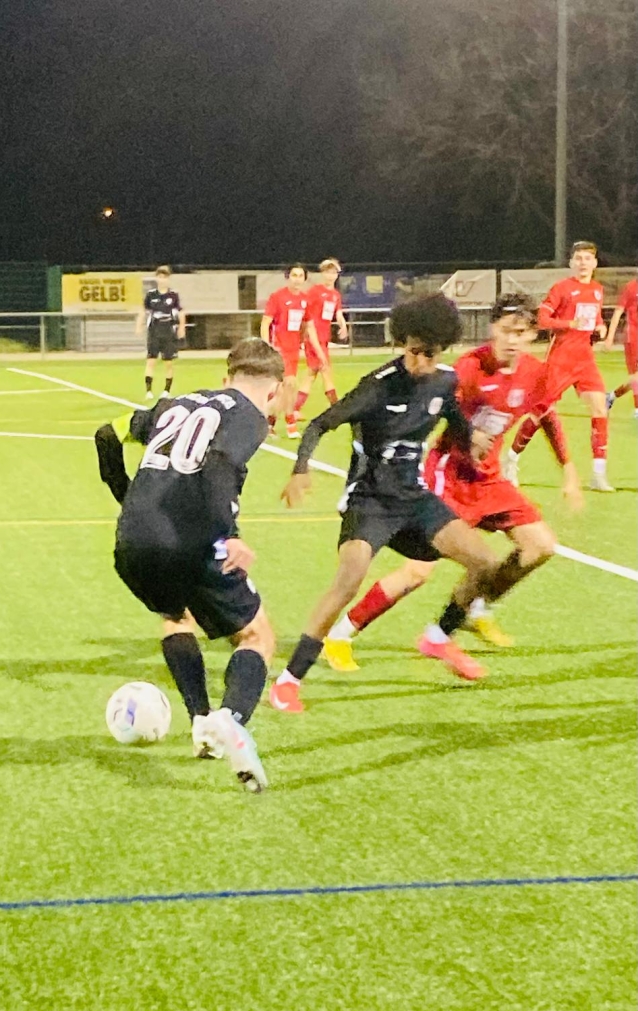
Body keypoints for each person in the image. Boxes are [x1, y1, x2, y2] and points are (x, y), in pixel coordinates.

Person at [268, 294, 505, 713]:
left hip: (414, 499)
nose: (420, 361)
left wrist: (472, 441)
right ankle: (288, 681)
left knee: (485, 563)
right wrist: (300, 469)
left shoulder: (444, 381)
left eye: (429, 353)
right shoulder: (377, 386)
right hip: (369, 500)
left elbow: (455, 420)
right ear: (402, 342)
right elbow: (319, 424)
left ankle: (439, 637)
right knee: (349, 580)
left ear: (442, 349)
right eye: (413, 351)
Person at [322, 293, 581, 672]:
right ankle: (342, 632)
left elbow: (547, 415)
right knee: (418, 570)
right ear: (492, 328)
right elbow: (428, 402)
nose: (511, 340)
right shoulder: (468, 368)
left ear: (532, 335)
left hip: (488, 480)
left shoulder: (533, 373)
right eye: (505, 330)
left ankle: (465, 615)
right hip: (448, 476)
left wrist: (568, 469)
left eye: (520, 333)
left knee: (540, 546)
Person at [95, 338, 285, 792]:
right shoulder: (250, 416)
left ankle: (201, 721)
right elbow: (219, 462)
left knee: (176, 616)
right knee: (257, 636)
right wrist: (230, 532)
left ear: (226, 377)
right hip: (190, 537)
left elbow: (106, 433)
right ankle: (231, 719)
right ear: (275, 389)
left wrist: (127, 495)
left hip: (132, 538)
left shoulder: (174, 404)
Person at [505, 241, 611, 491]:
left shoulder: (597, 290)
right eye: (579, 258)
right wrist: (569, 324)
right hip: (561, 359)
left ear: (595, 263)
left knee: (600, 408)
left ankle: (598, 474)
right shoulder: (562, 288)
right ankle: (511, 459)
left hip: (585, 359)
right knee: (541, 410)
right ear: (572, 263)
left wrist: (600, 326)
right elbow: (542, 320)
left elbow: (595, 317)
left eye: (588, 258)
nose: (583, 263)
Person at [259, 264, 329, 438]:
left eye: (300, 276)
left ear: (304, 279)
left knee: (283, 390)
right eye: (294, 275)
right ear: (288, 277)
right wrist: (267, 346)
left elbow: (310, 328)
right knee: (290, 384)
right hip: (279, 349)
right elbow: (266, 322)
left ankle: (268, 422)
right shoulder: (278, 297)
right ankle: (290, 423)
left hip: (294, 351)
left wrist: (319, 352)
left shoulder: (305, 300)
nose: (297, 279)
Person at [295, 258, 349, 418]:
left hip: (324, 337)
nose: (330, 275)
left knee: (312, 373)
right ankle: (336, 407)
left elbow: (338, 312)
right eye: (327, 272)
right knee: (325, 370)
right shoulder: (315, 291)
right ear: (322, 273)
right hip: (314, 337)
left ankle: (296, 408)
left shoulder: (335, 295)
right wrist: (304, 332)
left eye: (333, 272)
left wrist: (343, 326)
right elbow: (305, 312)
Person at [135, 266, 186, 401]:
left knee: (168, 362)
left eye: (165, 277)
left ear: (168, 279)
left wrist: (181, 327)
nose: (162, 280)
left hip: (168, 331)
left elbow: (181, 312)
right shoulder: (151, 295)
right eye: (160, 277)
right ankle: (149, 391)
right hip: (154, 331)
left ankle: (166, 391)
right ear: (156, 278)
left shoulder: (173, 295)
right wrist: (139, 325)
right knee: (151, 360)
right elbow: (143, 311)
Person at [603, 277, 638, 416]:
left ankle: (611, 396)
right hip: (633, 337)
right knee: (636, 375)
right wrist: (610, 337)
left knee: (636, 377)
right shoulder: (631, 287)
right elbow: (618, 312)